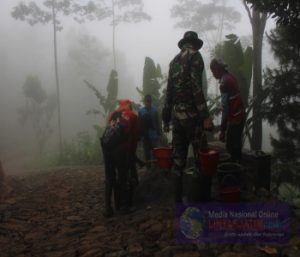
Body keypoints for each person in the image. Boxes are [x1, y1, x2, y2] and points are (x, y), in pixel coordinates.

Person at [162, 31, 214, 203]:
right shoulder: (195, 57)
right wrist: (205, 115)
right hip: (192, 117)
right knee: (200, 157)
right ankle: (200, 201)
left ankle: (177, 201)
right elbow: (196, 88)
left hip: (177, 117)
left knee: (178, 160)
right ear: (194, 43)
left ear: (184, 43)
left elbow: (169, 93)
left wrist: (166, 118)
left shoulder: (173, 62)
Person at [101, 99, 138, 218]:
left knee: (109, 177)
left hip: (106, 147)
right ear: (130, 106)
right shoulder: (133, 115)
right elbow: (134, 138)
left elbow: (109, 131)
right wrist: (131, 155)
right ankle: (123, 206)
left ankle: (107, 208)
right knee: (122, 176)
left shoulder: (113, 114)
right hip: (120, 149)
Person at [210, 58, 246, 163]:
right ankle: (238, 167)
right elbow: (232, 99)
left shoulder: (223, 83)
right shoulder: (231, 77)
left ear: (218, 69)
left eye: (213, 71)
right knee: (236, 145)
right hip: (240, 115)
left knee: (231, 147)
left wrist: (222, 130)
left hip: (236, 118)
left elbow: (226, 109)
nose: (212, 74)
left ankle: (234, 170)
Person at [138, 94, 161, 170]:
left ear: (151, 101)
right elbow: (139, 125)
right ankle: (148, 170)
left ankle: (155, 169)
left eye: (149, 101)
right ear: (144, 102)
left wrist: (159, 134)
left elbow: (158, 123)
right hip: (145, 137)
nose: (148, 103)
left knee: (155, 153)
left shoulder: (155, 110)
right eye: (147, 101)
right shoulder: (141, 111)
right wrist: (140, 137)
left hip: (154, 136)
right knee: (147, 154)